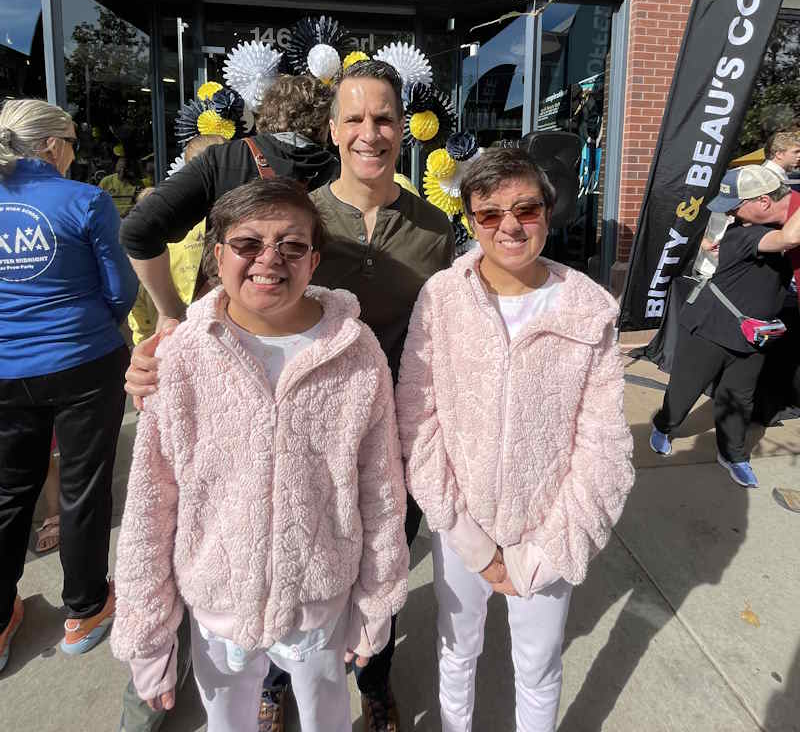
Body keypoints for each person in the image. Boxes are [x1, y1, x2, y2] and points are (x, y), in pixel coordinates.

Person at [123, 59, 454, 732]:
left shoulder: (434, 229)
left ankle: (378, 683)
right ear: (332, 130)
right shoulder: (299, 218)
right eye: (355, 118)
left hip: (390, 434)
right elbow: (238, 311)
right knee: (279, 558)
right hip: (296, 435)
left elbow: (447, 333)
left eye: (385, 117)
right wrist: (164, 352)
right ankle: (273, 685)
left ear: (404, 129)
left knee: (379, 567)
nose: (371, 132)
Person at [110, 178, 409, 732]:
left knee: (327, 717)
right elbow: (151, 503)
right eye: (249, 244)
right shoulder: (181, 357)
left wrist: (377, 598)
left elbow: (381, 488)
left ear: (314, 259)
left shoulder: (356, 351)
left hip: (319, 598)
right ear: (218, 255)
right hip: (218, 601)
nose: (268, 260)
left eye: (291, 246)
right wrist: (148, 632)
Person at [395, 148, 634, 732]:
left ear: (548, 214)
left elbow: (604, 445)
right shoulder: (443, 298)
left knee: (538, 665)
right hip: (462, 525)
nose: (509, 226)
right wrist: (467, 537)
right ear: (471, 221)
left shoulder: (586, 310)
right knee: (457, 652)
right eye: (490, 213)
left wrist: (552, 547)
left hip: (547, 529)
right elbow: (418, 420)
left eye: (525, 209)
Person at [0, 99, 138, 672]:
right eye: (75, 142)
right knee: (83, 488)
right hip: (84, 361)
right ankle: (83, 609)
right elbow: (120, 288)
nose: (76, 153)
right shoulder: (84, 199)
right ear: (53, 146)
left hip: (7, 368)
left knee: (8, 493)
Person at [120, 74, 338, 331]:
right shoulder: (342, 173)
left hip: (227, 326)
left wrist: (171, 310)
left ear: (265, 112)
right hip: (317, 325)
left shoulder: (223, 160)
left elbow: (138, 230)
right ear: (325, 124)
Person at [650, 165, 800, 487]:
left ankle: (733, 455)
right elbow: (790, 237)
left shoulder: (771, 225)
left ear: (762, 202)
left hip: (754, 337)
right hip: (709, 330)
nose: (729, 213)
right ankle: (664, 425)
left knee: (739, 400)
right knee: (683, 391)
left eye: (734, 206)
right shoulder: (744, 233)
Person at [127, 135, 224, 346]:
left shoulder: (163, 220)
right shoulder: (165, 221)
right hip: (200, 331)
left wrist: (144, 335)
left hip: (172, 332)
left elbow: (139, 290)